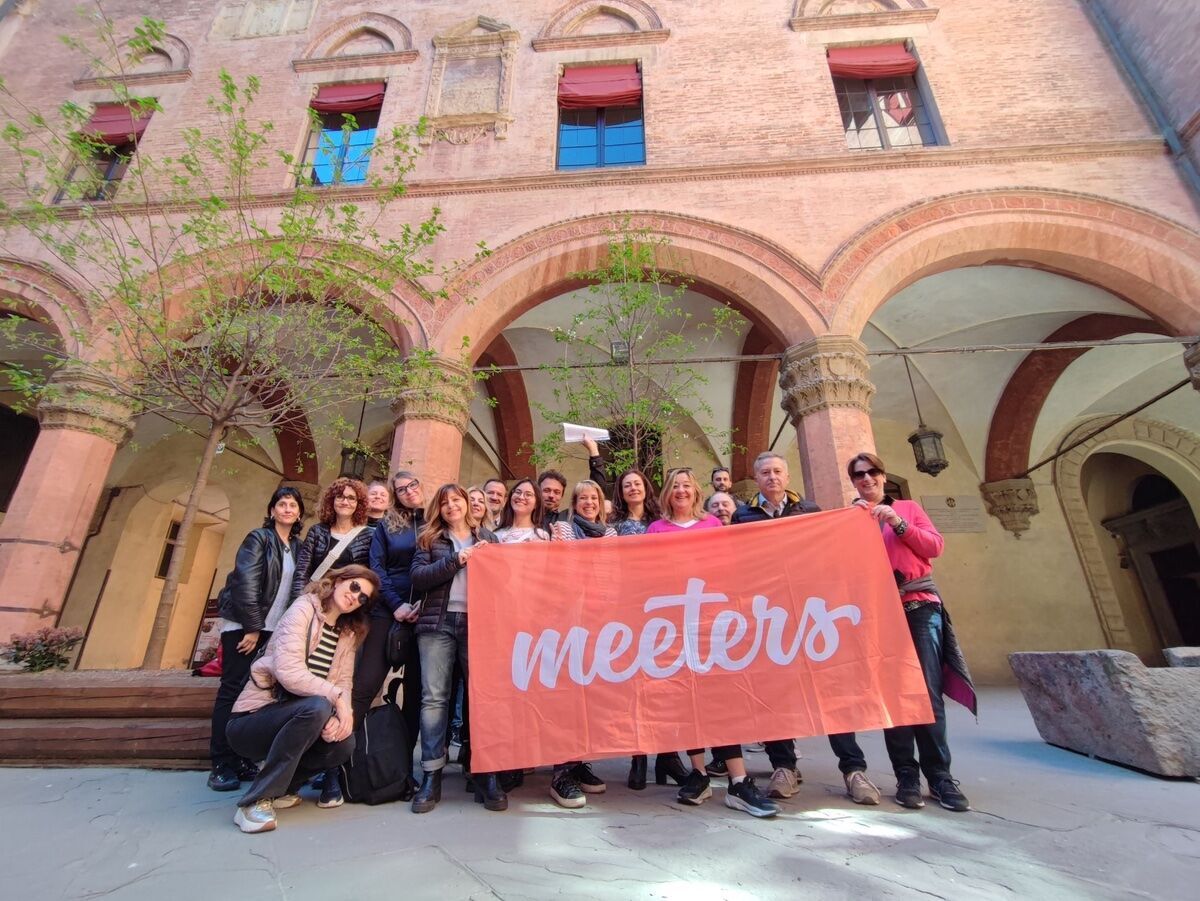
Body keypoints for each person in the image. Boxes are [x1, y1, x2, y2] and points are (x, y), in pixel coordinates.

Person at [845, 452, 974, 812]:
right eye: (859, 475)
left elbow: (934, 546)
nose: (866, 478)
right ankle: (906, 775)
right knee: (893, 695)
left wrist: (898, 523)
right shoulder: (851, 519)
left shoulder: (907, 509)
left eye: (872, 472)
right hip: (879, 613)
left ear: (883, 476)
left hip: (919, 606)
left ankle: (940, 776)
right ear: (853, 482)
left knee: (927, 693)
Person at [647, 468, 779, 818]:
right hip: (673, 626)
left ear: (696, 492)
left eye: (686, 486)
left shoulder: (711, 526)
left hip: (710, 624)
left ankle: (738, 780)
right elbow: (647, 575)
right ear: (666, 493)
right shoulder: (656, 530)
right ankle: (699, 774)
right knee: (685, 699)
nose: (681, 491)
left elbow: (728, 570)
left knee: (720, 699)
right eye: (675, 486)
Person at [225, 565, 379, 833]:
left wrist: (341, 717)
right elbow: (289, 672)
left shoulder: (347, 633)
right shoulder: (304, 608)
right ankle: (254, 801)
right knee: (317, 707)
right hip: (254, 719)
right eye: (354, 586)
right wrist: (336, 700)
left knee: (344, 743)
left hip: (303, 717)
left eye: (363, 597)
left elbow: (343, 681)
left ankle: (283, 789)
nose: (355, 596)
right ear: (338, 580)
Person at [409, 484, 505, 813]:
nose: (451, 506)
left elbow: (502, 584)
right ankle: (431, 775)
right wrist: (456, 559)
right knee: (434, 699)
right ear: (438, 508)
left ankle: (485, 772)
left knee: (483, 698)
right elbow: (418, 578)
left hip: (479, 625)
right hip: (438, 624)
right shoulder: (429, 539)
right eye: (445, 502)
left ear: (467, 503)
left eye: (456, 500)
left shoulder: (489, 539)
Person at [729, 451, 820, 800]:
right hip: (765, 612)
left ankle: (852, 767)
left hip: (806, 610)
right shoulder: (742, 516)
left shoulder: (808, 510)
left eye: (777, 471)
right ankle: (783, 764)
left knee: (819, 681)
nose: (772, 477)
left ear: (787, 475)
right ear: (757, 478)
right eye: (765, 472)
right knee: (771, 687)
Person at [207, 486, 305, 793]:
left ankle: (241, 758)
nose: (287, 509)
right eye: (282, 504)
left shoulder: (296, 547)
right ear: (272, 510)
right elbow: (245, 582)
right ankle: (221, 764)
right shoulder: (259, 538)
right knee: (232, 689)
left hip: (273, 630)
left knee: (255, 694)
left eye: (293, 505)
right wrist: (252, 627)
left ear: (299, 514)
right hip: (245, 626)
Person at [291, 477, 375, 807]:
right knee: (308, 687)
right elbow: (302, 572)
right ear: (331, 501)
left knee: (340, 682)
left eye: (352, 498)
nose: (345, 502)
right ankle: (299, 768)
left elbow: (369, 578)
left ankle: (331, 774)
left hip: (348, 620)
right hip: (315, 614)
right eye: (340, 497)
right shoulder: (317, 532)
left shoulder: (367, 535)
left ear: (359, 504)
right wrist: (298, 608)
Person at [608, 467, 690, 791]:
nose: (632, 488)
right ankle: (639, 754)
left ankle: (668, 755)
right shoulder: (614, 525)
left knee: (668, 681)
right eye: (626, 485)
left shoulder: (663, 520)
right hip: (629, 606)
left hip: (664, 607)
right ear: (620, 492)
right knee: (636, 682)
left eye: (637, 483)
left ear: (646, 488)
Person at [546, 479, 614, 807]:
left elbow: (612, 575)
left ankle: (578, 761)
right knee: (566, 693)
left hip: (599, 621)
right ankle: (561, 771)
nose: (589, 503)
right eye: (582, 498)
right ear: (574, 504)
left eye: (594, 498)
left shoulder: (610, 533)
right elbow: (564, 569)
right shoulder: (563, 528)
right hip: (566, 618)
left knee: (589, 694)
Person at [362, 471, 425, 752]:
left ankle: (403, 763)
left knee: (415, 691)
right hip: (388, 609)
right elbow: (376, 567)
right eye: (401, 489)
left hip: (424, 613)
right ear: (395, 496)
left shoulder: (434, 521)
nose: (409, 491)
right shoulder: (387, 525)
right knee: (367, 682)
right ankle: (341, 761)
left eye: (413, 485)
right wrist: (396, 604)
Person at [493, 478, 551, 544]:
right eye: (518, 492)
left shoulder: (541, 536)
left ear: (536, 503)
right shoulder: (496, 534)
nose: (521, 497)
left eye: (528, 494)